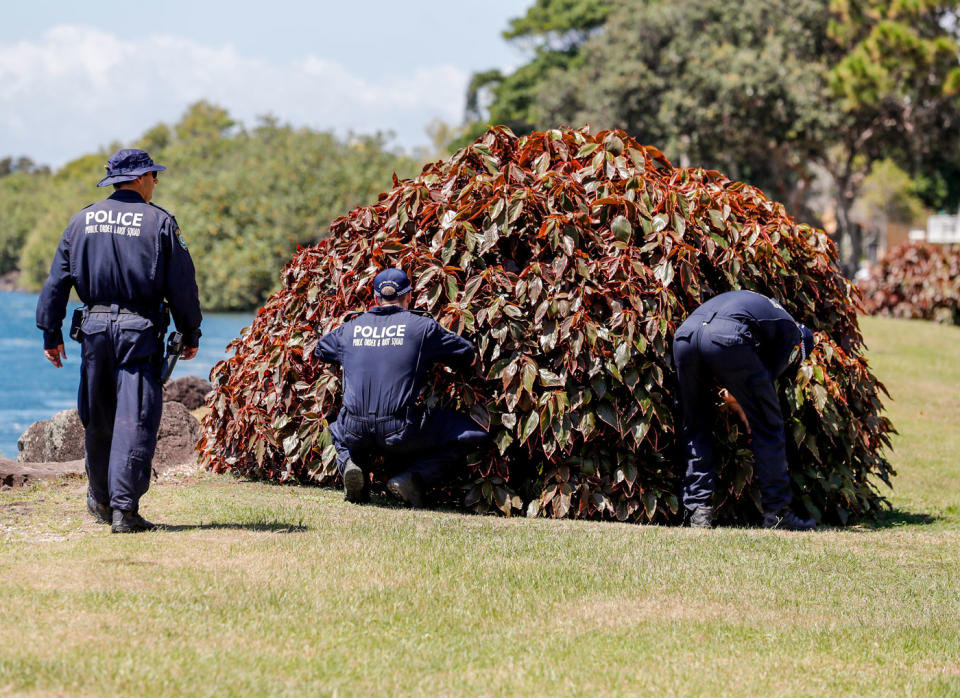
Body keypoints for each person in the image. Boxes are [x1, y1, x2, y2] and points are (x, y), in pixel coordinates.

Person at [36, 148, 202, 533]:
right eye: (154, 176)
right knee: (136, 416)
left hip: (93, 330)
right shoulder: (160, 222)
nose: (156, 183)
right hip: (139, 331)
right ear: (141, 179)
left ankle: (102, 499)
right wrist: (190, 331)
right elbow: (182, 285)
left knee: (97, 416)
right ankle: (124, 512)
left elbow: (57, 281)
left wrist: (50, 332)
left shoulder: (81, 221)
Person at [314, 268, 487, 506]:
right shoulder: (422, 327)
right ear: (409, 296)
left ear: (375, 298)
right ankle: (412, 477)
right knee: (474, 432)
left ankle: (350, 465)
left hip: (355, 430)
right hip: (400, 430)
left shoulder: (350, 329)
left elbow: (321, 349)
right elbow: (467, 353)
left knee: (338, 429)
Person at [672, 290, 816, 530]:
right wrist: (746, 404)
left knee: (694, 422)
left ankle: (698, 511)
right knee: (768, 425)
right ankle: (777, 514)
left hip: (686, 335)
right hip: (726, 337)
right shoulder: (794, 335)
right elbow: (766, 380)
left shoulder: (767, 309)